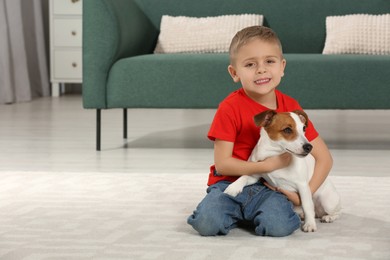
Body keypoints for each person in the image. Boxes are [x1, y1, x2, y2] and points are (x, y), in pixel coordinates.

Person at [187, 26, 333, 237]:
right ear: (234, 73)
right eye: (250, 64)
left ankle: (254, 213)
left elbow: (325, 159)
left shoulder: (290, 107)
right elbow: (223, 164)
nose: (261, 70)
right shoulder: (229, 108)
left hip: (270, 187)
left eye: (269, 62)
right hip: (229, 182)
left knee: (279, 226)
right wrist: (267, 165)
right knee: (207, 223)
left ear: (282, 67)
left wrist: (304, 196)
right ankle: (240, 212)